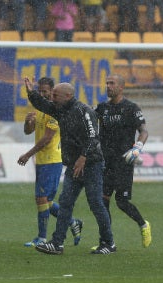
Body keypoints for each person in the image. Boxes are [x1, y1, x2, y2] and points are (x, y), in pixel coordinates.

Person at [24, 77, 115, 255]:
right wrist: (31, 92)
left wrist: (83, 157)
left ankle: (108, 242)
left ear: (67, 96)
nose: (52, 98)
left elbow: (93, 137)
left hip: (91, 164)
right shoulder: (60, 110)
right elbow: (42, 104)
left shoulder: (85, 111)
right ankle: (57, 243)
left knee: (96, 203)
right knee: (65, 202)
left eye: (55, 95)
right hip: (74, 165)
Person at [17, 77, 84, 248]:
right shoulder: (40, 109)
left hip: (52, 160)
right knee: (45, 200)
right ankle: (72, 221)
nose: (42, 94)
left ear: (52, 91)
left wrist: (27, 154)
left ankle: (41, 237)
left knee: (41, 198)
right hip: (42, 160)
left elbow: (47, 138)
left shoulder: (55, 112)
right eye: (40, 91)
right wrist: (28, 122)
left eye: (45, 91)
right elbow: (28, 131)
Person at [95, 74, 152, 248]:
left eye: (111, 83)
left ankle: (143, 224)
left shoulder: (131, 108)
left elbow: (144, 131)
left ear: (121, 87)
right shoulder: (102, 108)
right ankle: (107, 242)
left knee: (121, 202)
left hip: (123, 162)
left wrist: (137, 147)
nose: (108, 86)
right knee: (103, 201)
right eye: (106, 83)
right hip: (105, 161)